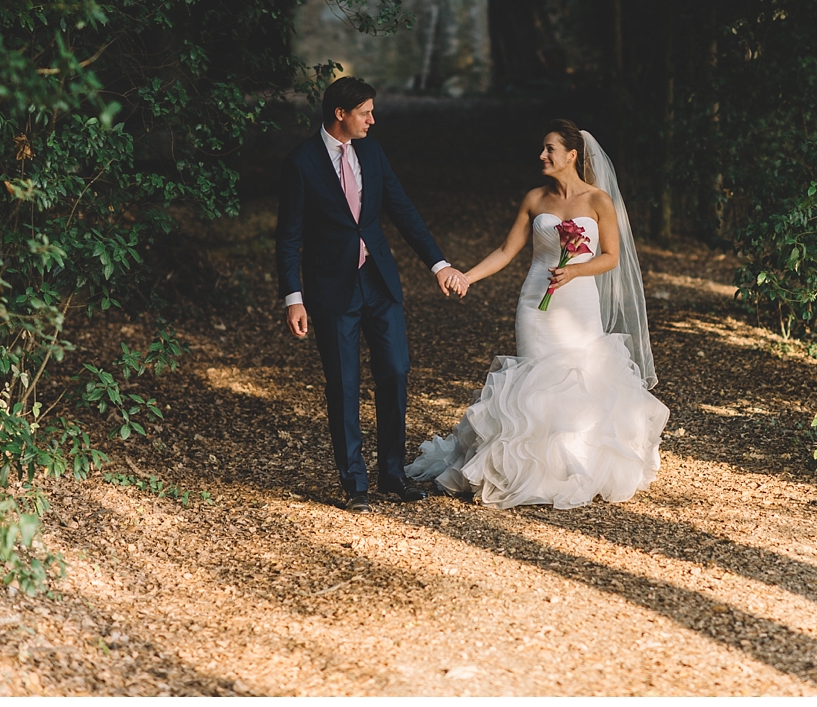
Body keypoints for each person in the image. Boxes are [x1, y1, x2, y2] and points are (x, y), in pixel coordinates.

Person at [406, 120, 668, 509]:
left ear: (572, 155)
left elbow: (611, 257)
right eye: (543, 149)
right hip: (535, 303)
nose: (542, 156)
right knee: (534, 381)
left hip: (578, 302)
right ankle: (526, 471)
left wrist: (576, 269)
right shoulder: (535, 199)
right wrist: (466, 276)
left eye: (549, 149)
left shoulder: (598, 201)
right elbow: (506, 251)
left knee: (580, 380)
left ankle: (572, 469)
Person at [275, 77, 466, 513]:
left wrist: (439, 264)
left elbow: (401, 209)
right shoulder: (301, 162)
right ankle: (354, 483)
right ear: (340, 114)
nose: (372, 120)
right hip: (330, 290)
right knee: (343, 383)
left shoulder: (373, 152)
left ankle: (393, 475)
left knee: (396, 371)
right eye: (365, 112)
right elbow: (288, 236)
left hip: (379, 281)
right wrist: (293, 296)